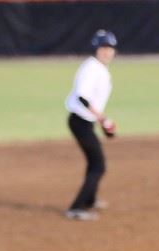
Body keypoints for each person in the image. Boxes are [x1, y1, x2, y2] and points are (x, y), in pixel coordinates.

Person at [64, 29, 118, 221]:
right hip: (79, 122)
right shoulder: (91, 68)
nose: (107, 51)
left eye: (110, 48)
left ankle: (90, 199)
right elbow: (82, 97)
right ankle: (76, 208)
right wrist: (103, 119)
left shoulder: (99, 68)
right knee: (99, 165)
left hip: (85, 121)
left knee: (94, 162)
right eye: (103, 47)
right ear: (96, 49)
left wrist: (101, 120)